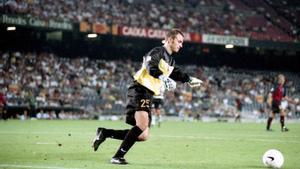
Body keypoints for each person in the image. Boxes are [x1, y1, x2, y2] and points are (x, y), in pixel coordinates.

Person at [92, 29, 203, 165]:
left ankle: (105, 133)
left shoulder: (171, 60)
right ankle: (117, 157)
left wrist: (189, 79)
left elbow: (176, 73)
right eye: (179, 41)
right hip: (140, 89)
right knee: (142, 125)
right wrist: (162, 77)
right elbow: (151, 67)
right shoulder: (156, 52)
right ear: (170, 40)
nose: (181, 45)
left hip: (148, 93)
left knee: (143, 135)